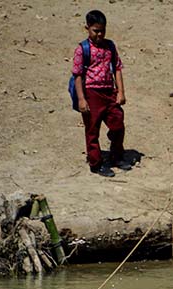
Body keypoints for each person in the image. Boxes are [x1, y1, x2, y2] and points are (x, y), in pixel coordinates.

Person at [72, 10, 126, 178]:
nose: (100, 34)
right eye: (96, 30)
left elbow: (117, 68)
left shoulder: (110, 46)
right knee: (92, 129)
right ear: (87, 28)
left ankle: (116, 155)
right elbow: (77, 75)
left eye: (102, 30)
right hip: (92, 93)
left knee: (117, 123)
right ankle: (96, 163)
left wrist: (121, 92)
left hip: (109, 92)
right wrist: (81, 99)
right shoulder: (83, 49)